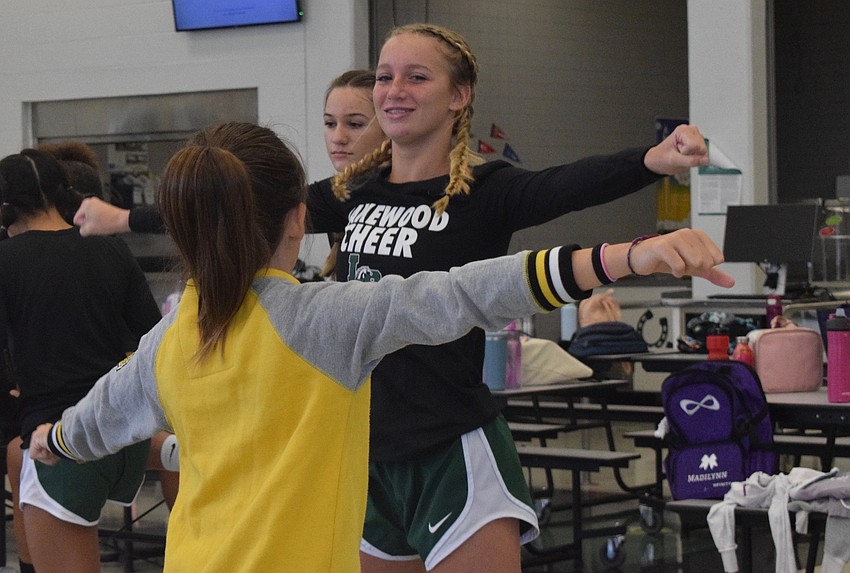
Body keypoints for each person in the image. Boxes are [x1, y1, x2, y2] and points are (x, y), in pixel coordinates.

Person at [29, 121, 733, 572]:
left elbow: (90, 423)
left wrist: (50, 440)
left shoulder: (170, 336)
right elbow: (469, 292)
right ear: (301, 217)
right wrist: (628, 256)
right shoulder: (322, 320)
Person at [305, 23, 715, 572]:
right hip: (368, 446)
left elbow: (568, 184)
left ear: (458, 95)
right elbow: (246, 212)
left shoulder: (485, 192)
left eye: (416, 77)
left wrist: (650, 160)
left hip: (449, 443)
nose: (394, 89)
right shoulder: (352, 194)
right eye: (385, 77)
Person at [0, 149, 163, 573]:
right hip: (123, 436)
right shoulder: (109, 250)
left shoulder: (7, 262)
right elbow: (153, 336)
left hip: (59, 441)